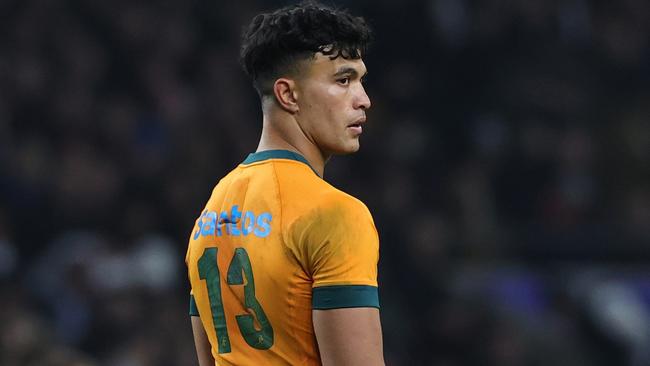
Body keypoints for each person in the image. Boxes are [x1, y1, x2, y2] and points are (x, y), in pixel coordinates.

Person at [185, 1, 383, 365]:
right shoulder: (336, 215)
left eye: (360, 80)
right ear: (288, 94)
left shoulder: (211, 213)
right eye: (343, 80)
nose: (364, 100)